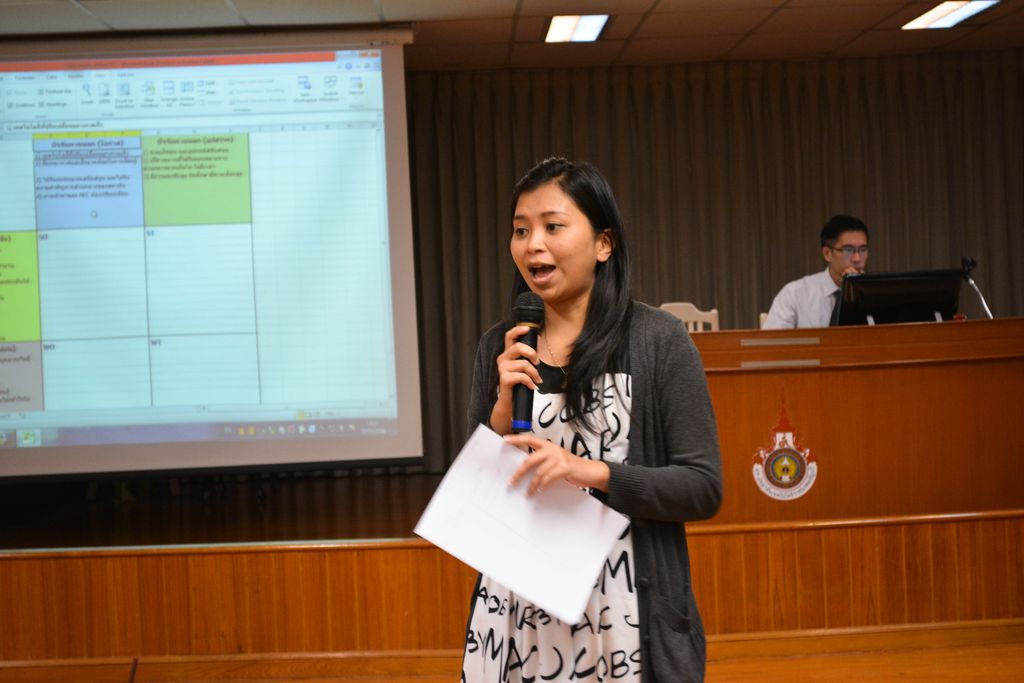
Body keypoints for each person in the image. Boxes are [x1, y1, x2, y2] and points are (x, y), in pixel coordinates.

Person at [461, 158, 722, 682]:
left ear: (604, 243)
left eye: (552, 227)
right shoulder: (502, 345)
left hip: (623, 619)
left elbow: (702, 487)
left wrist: (589, 472)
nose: (532, 245)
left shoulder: (657, 341)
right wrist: (498, 417)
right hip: (518, 621)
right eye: (520, 230)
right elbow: (475, 505)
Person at [762, 214, 870, 329]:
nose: (857, 258)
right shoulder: (794, 294)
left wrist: (861, 294)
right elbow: (774, 339)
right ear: (827, 253)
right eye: (848, 250)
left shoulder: (873, 294)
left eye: (863, 249)